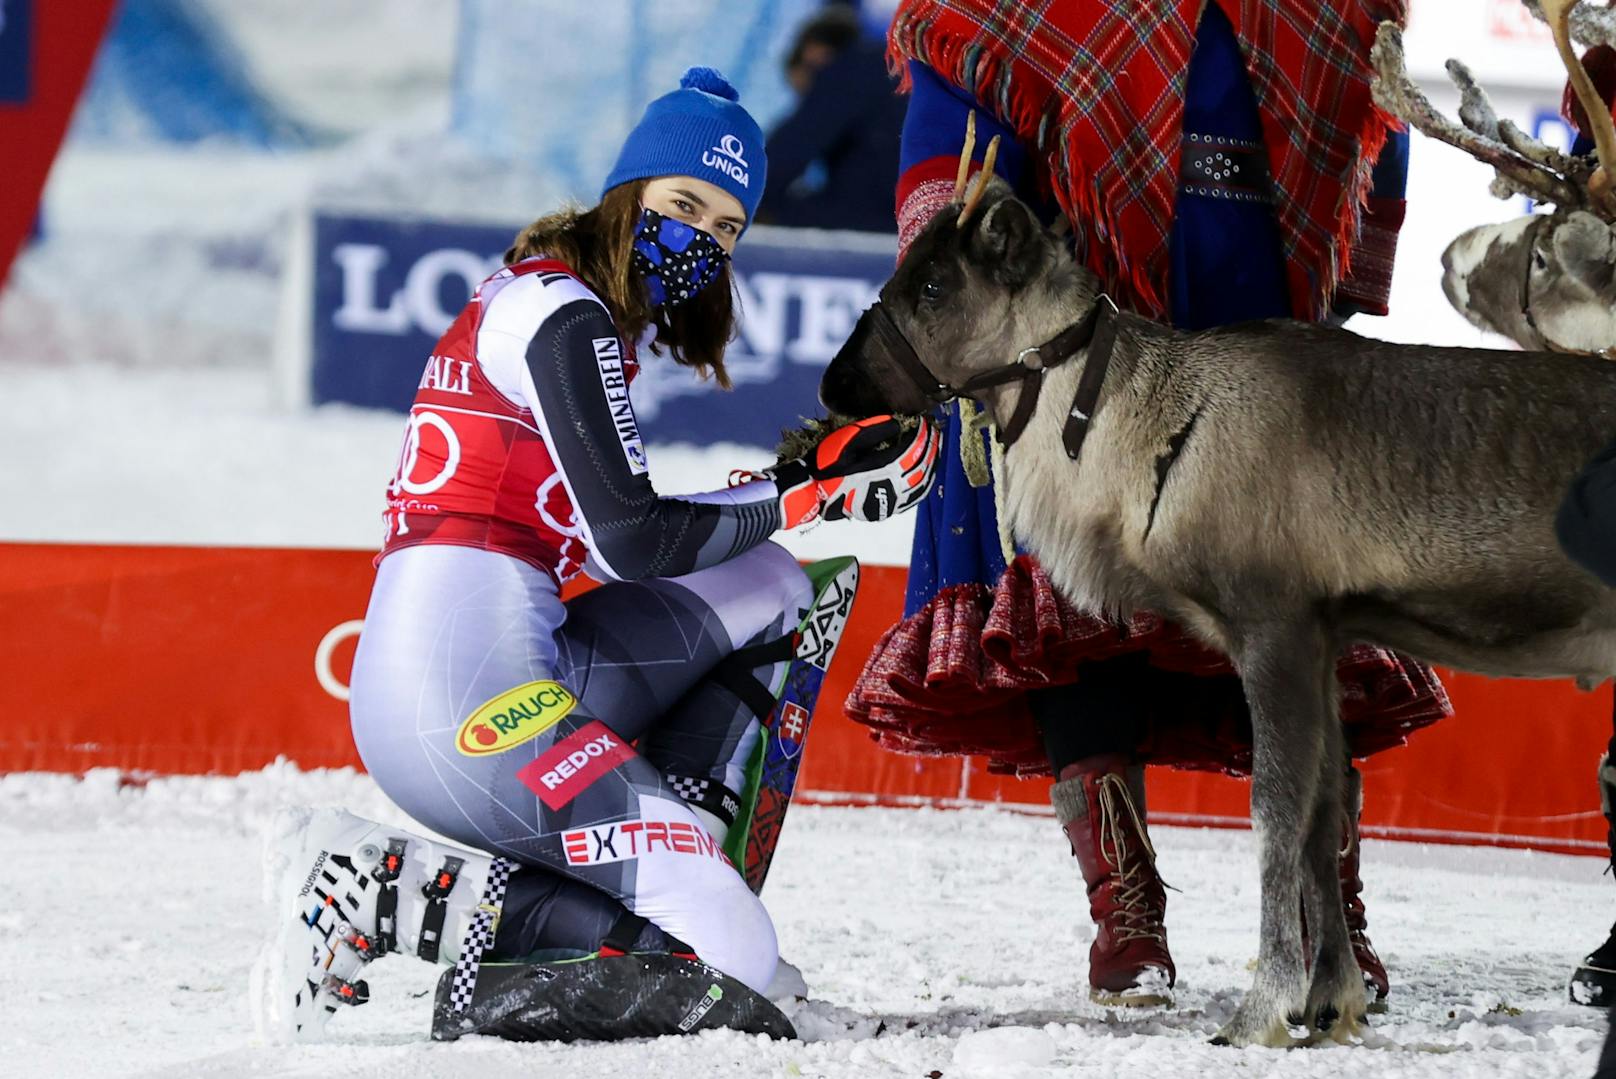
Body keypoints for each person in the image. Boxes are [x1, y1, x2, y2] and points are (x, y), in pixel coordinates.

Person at [258, 66, 939, 1043]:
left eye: (724, 229)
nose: (699, 240)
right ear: (627, 196)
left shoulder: (567, 312)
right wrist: (804, 490)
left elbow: (643, 530)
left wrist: (792, 485)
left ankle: (677, 845)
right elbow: (632, 539)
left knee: (780, 580)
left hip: (515, 666)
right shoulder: (560, 312)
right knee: (731, 962)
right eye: (681, 206)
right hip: (460, 699)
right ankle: (386, 892)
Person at [845, 0, 1452, 1010]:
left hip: (1261, 331)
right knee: (1077, 614)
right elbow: (952, 156)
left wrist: (1341, 304)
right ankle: (1125, 912)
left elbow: (1367, 128)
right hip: (1079, 326)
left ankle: (1322, 906)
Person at [757, 4, 907, 232]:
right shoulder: (893, 70)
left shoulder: (848, 70)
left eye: (807, 97)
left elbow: (784, 156)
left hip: (878, 218)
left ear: (813, 54)